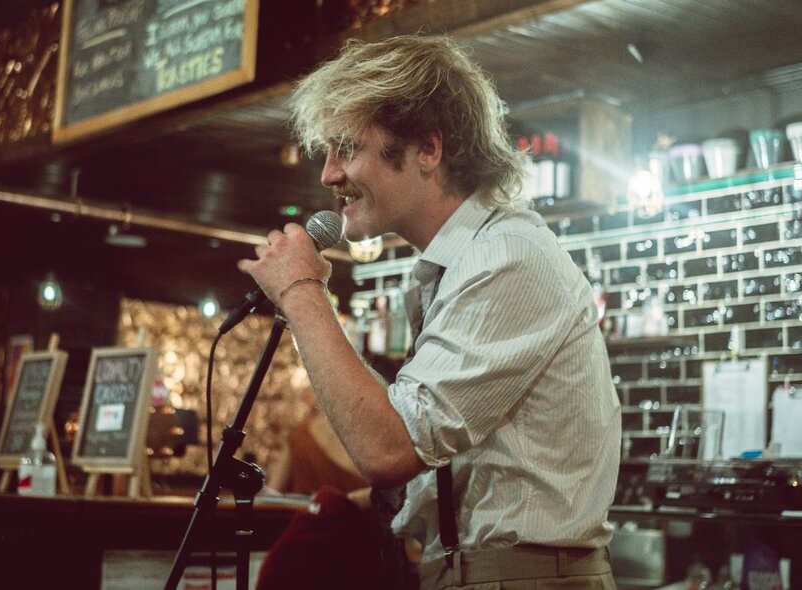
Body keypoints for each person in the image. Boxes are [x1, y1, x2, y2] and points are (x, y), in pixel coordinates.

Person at [238, 34, 621, 589]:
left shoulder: (507, 256)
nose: (328, 175)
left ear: (428, 148)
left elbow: (390, 448)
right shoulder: (457, 265)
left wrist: (301, 291)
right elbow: (456, 463)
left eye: (346, 146)